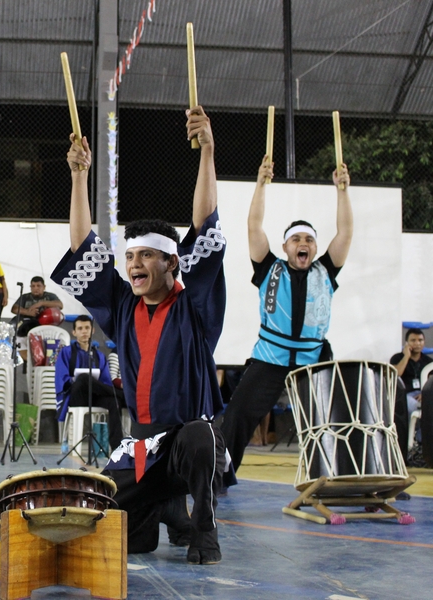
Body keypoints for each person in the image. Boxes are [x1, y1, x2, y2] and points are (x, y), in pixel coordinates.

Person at [52, 106, 227, 564]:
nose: (134, 265)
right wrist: (77, 177)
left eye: (147, 256)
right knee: (102, 514)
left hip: (188, 446)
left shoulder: (195, 307)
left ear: (172, 263)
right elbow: (82, 248)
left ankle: (203, 529)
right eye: (131, 257)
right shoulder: (124, 306)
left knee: (199, 436)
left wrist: (207, 149)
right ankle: (159, 511)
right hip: (141, 449)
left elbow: (205, 227)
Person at [220, 155, 353, 477]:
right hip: (270, 358)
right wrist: (261, 183)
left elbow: (346, 231)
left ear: (315, 247)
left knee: (328, 421)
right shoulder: (270, 268)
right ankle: (218, 477)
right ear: (286, 246)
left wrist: (342, 191)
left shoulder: (326, 270)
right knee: (237, 414)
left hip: (312, 359)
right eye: (297, 239)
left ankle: (333, 478)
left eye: (309, 239)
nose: (303, 243)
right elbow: (254, 225)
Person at [54, 315, 124, 450]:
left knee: (114, 402)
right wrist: (79, 380)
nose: (84, 331)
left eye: (87, 328)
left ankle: (117, 447)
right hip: (75, 396)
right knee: (84, 378)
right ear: (74, 332)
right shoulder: (66, 352)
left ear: (92, 331)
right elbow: (61, 378)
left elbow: (105, 382)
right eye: (80, 328)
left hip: (95, 396)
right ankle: (122, 395)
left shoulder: (99, 356)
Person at [10, 276, 63, 360]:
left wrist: (41, 303)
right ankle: (31, 361)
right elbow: (14, 309)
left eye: (38, 286)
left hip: (45, 328)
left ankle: (49, 361)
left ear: (44, 287)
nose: (36, 288)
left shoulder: (50, 296)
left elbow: (60, 305)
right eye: (33, 286)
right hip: (27, 328)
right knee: (17, 334)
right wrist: (28, 312)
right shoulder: (25, 297)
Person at [390, 328, 432, 420]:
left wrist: (425, 394)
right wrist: (406, 356)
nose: (417, 343)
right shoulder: (397, 358)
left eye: (420, 340)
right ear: (406, 343)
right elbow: (397, 374)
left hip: (423, 395)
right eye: (413, 340)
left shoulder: (429, 361)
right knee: (417, 409)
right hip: (405, 395)